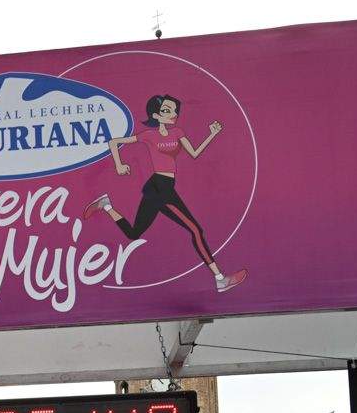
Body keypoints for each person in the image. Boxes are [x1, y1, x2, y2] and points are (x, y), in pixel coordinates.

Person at [86, 94, 247, 293]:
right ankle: (220, 279)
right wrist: (119, 165)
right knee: (196, 230)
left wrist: (211, 134)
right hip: (160, 187)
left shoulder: (178, 132)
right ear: (156, 115)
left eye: (174, 111)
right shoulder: (148, 135)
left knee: (133, 233)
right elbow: (114, 142)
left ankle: (107, 205)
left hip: (162, 187)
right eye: (166, 111)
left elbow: (195, 153)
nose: (173, 115)